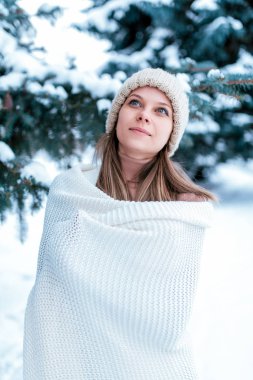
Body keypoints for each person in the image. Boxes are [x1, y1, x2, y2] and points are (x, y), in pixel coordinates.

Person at [23, 68, 217, 380]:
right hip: (72, 360)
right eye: (135, 103)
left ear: (172, 132)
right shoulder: (71, 191)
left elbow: (172, 319)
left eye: (161, 111)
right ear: (117, 116)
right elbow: (49, 295)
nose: (144, 116)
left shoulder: (184, 212)